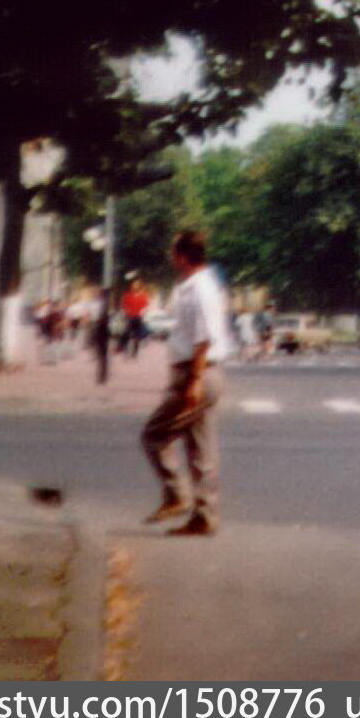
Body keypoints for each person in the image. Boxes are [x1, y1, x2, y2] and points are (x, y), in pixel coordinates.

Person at [141, 229, 232, 535]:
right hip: (204, 372)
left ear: (182, 256)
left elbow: (204, 337)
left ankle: (176, 495)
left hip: (198, 373)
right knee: (201, 450)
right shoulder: (197, 286)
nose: (170, 257)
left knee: (154, 435)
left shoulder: (200, 288)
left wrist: (192, 380)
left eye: (173, 252)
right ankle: (205, 517)